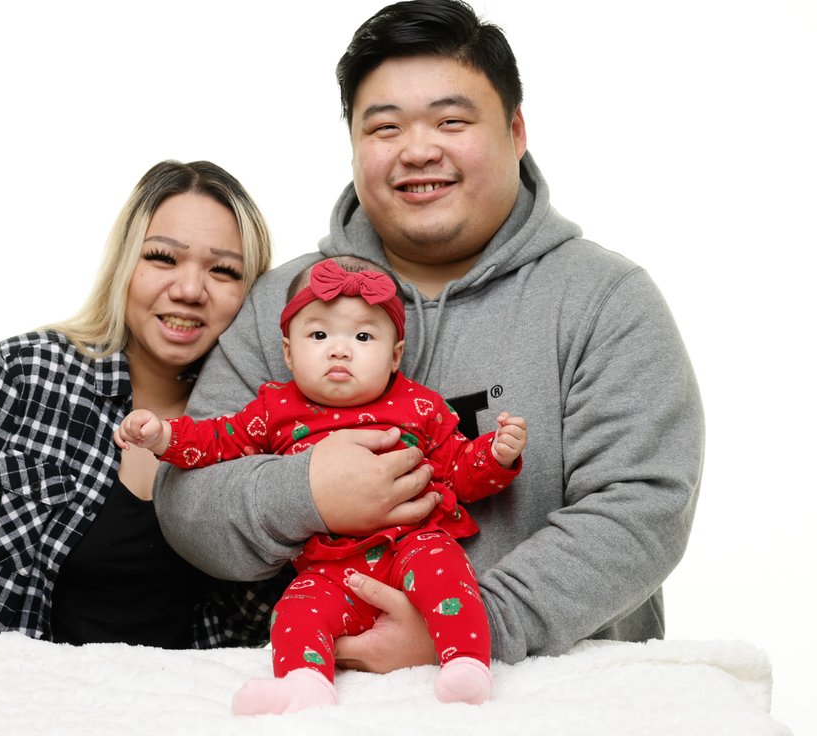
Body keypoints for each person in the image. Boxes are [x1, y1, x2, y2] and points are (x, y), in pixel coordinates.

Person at [153, 0, 704, 680]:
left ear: (516, 130)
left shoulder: (604, 298)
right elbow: (187, 502)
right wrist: (305, 490)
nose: (418, 151)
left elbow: (642, 510)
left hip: (554, 700)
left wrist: (474, 624)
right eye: (385, 127)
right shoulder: (288, 303)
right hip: (332, 703)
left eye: (451, 121)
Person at [0, 159, 276, 719]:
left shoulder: (260, 424)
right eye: (162, 257)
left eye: (224, 270)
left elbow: (264, 629)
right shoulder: (18, 378)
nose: (189, 289)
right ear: (125, 263)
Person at [117, 256, 527, 712]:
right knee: (293, 609)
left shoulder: (422, 406)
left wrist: (496, 454)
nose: (340, 350)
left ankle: (466, 664)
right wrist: (164, 436)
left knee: (447, 572)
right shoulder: (274, 409)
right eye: (318, 336)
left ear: (395, 355)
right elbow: (218, 440)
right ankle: (305, 684)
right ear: (288, 352)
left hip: (413, 545)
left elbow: (459, 472)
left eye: (363, 337)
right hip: (332, 568)